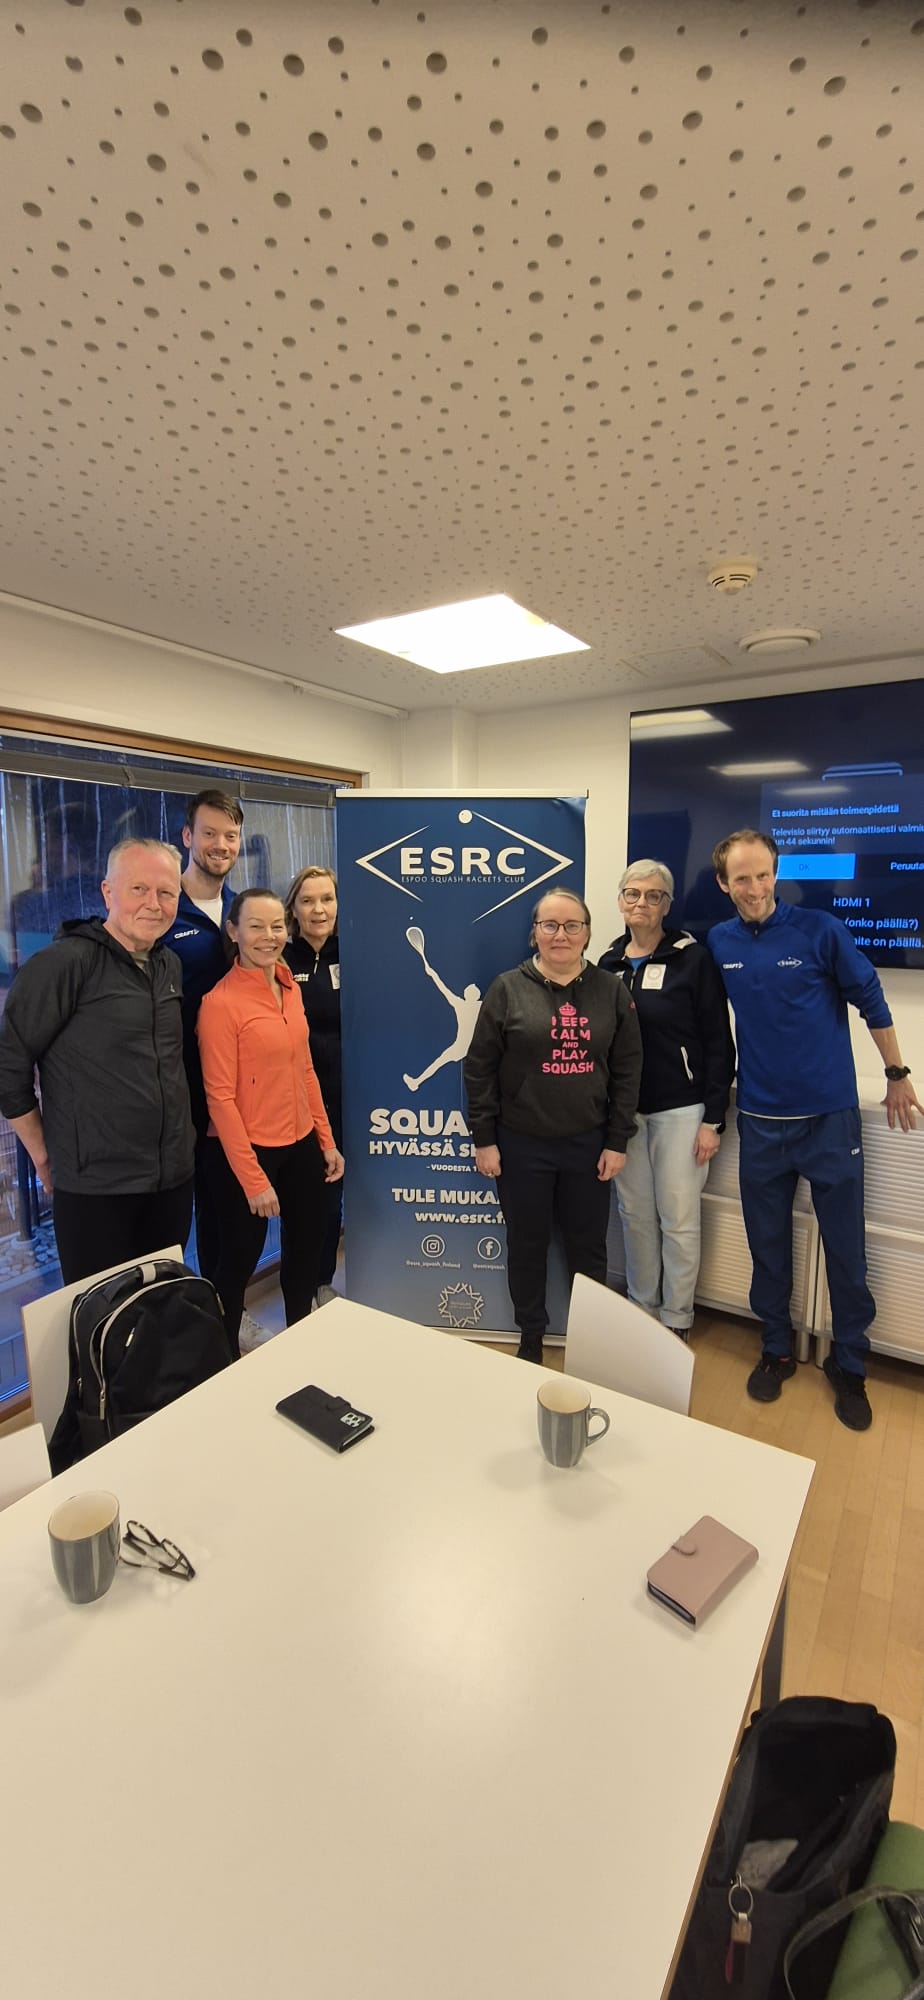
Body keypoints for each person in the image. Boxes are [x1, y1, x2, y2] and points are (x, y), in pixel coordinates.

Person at [709, 827, 921, 1432]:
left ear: (776, 873)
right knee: (767, 1247)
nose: (755, 887)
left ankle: (849, 1363)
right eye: (742, 878)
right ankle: (776, 1348)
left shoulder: (820, 930)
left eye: (763, 874)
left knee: (847, 1252)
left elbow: (871, 997)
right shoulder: (719, 941)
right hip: (760, 1121)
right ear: (724, 883)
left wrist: (897, 1074)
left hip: (829, 1120)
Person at [0, 839, 195, 1282]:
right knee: (102, 1316)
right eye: (139, 889)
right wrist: (42, 1152)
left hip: (170, 1182)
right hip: (97, 1190)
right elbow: (9, 1065)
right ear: (108, 892)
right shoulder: (64, 964)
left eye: (166, 892)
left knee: (162, 1306)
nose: (153, 904)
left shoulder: (169, 964)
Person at [464, 886, 642, 1363]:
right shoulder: (507, 989)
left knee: (589, 1248)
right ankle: (531, 1337)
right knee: (527, 1245)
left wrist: (617, 1140)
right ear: (535, 933)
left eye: (571, 925)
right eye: (550, 925)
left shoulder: (611, 990)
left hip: (589, 1145)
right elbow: (479, 1069)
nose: (560, 935)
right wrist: (485, 1139)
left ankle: (591, 1340)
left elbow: (628, 1069)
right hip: (521, 1146)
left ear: (587, 933)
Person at [197, 888, 344, 1354]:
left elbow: (305, 1071)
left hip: (300, 1142)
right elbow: (220, 1099)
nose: (269, 936)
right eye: (256, 926)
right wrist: (254, 1180)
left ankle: (300, 1345)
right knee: (237, 1262)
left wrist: (326, 1140)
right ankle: (223, 1357)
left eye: (276, 925)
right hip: (246, 1152)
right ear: (233, 932)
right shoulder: (219, 1004)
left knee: (305, 1251)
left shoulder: (289, 987)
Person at [599, 859, 736, 1339]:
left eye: (653, 895)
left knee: (678, 1218)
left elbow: (719, 1042)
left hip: (682, 1110)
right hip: (626, 1113)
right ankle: (643, 1311)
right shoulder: (608, 964)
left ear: (667, 905)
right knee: (635, 1215)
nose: (642, 903)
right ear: (621, 901)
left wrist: (713, 1119)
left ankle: (676, 1319)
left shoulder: (691, 959)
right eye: (633, 893)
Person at [163, 790, 243, 1283]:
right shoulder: (163, 909)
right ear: (187, 836)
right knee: (172, 1212)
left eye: (230, 835)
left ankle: (220, 1308)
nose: (221, 844)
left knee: (224, 1206)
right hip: (175, 1088)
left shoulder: (241, 909)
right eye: (209, 833)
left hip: (233, 1088)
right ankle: (166, 1310)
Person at [283, 865, 343, 1307]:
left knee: (332, 1200)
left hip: (348, 1098)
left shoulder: (355, 953)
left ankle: (322, 1283)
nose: (318, 909)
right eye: (307, 901)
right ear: (294, 909)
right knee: (305, 1204)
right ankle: (299, 1293)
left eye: (326, 899)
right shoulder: (282, 960)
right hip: (298, 1102)